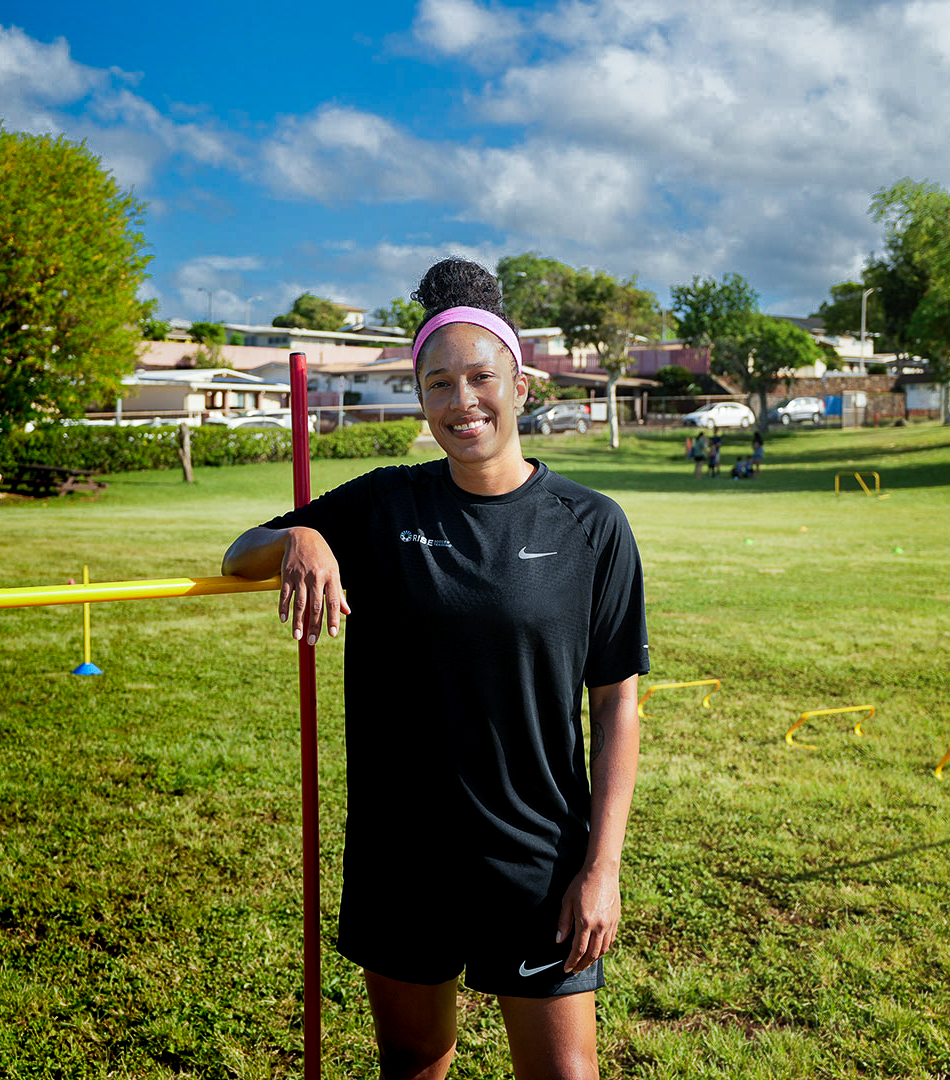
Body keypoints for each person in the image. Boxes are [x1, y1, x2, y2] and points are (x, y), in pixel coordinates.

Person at [222, 257, 648, 1080]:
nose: (463, 401)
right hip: (402, 858)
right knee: (415, 1061)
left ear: (520, 385)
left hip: (536, 858)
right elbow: (241, 553)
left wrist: (602, 869)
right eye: (439, 384)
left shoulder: (592, 525)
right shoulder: (383, 505)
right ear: (420, 399)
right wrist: (301, 537)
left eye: (481, 378)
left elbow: (616, 707)